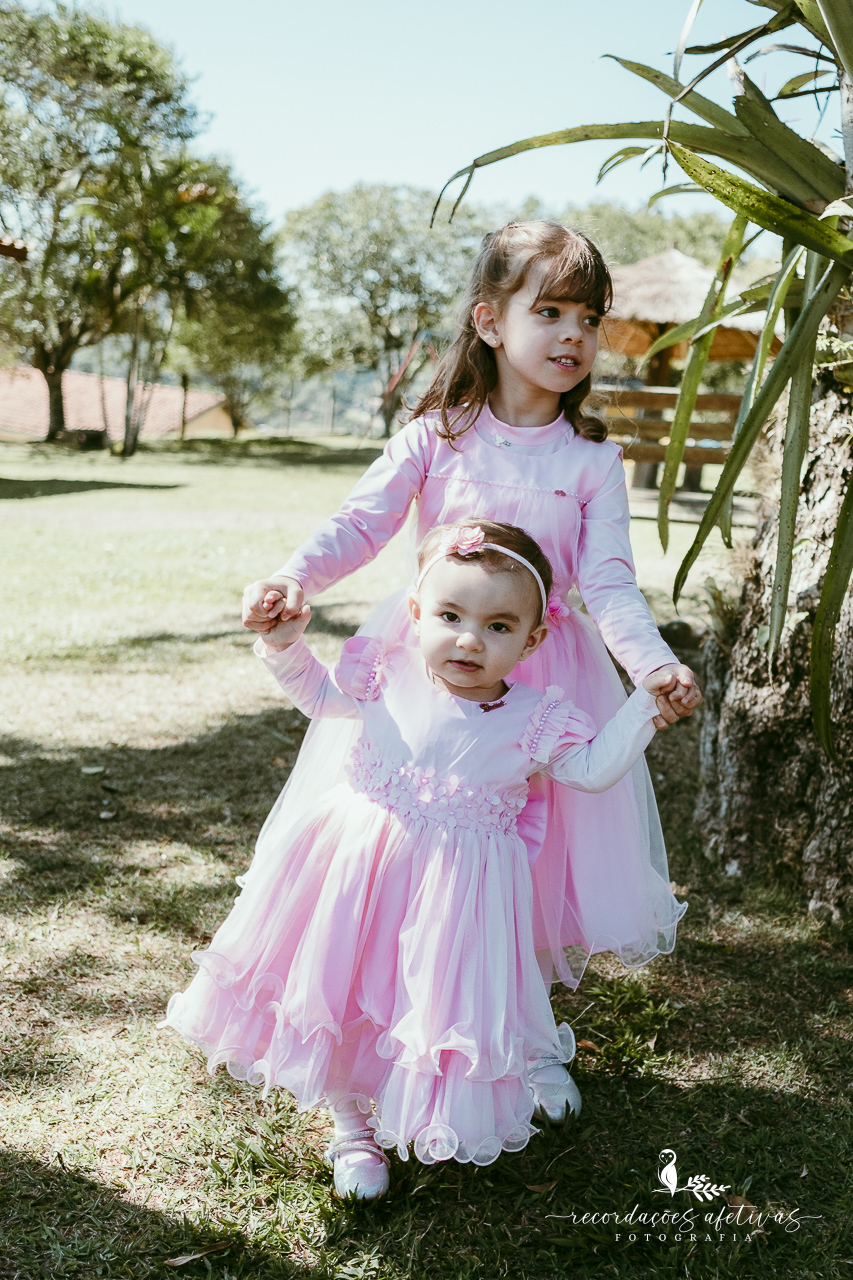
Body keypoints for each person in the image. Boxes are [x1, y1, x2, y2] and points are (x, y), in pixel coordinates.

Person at [242, 220, 700, 1016]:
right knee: (412, 844)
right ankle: (395, 1009)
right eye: (551, 312)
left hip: (544, 675)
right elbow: (359, 524)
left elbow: (611, 585)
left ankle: (515, 1026)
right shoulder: (436, 438)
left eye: (590, 319)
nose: (575, 335)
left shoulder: (591, 461)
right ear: (489, 321)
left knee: (530, 860)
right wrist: (293, 576)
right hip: (432, 672)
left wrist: (650, 663)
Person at [165, 521, 681, 1200]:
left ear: (532, 640)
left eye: (498, 626)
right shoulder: (388, 672)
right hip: (357, 871)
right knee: (340, 995)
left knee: (425, 1004)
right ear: (415, 615)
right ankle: (350, 1127)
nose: (469, 639)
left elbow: (587, 770)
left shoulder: (534, 717)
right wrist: (282, 642)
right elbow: (321, 699)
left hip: (457, 898)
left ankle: (410, 1104)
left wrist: (646, 706)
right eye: (449, 616)